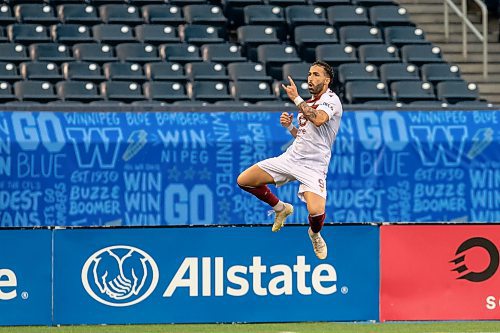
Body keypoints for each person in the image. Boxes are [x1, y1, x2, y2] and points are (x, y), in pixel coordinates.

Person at [237, 61, 343, 260]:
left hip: (314, 166)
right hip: (291, 158)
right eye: (310, 74)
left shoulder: (331, 100)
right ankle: (281, 208)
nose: (311, 78)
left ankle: (315, 234)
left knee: (316, 212)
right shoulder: (307, 104)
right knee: (244, 180)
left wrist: (295, 98)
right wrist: (290, 128)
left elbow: (319, 119)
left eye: (317, 75)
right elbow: (305, 136)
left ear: (327, 80)